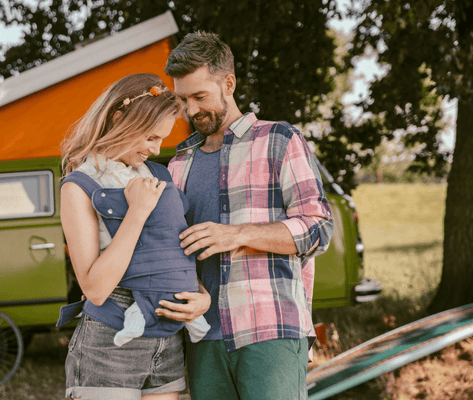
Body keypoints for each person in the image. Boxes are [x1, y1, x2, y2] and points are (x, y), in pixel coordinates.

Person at [154, 32, 335, 400]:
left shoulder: (280, 140)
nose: (190, 111)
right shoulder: (178, 164)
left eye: (200, 97)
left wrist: (236, 234)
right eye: (183, 99)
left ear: (229, 83)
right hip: (202, 337)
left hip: (270, 331)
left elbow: (319, 228)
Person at [58, 73, 211, 400]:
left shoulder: (159, 175)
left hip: (166, 342)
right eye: (151, 137)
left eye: (161, 140)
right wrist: (137, 212)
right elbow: (95, 289)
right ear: (119, 119)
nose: (156, 149)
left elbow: (171, 250)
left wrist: (201, 296)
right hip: (110, 342)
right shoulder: (78, 186)